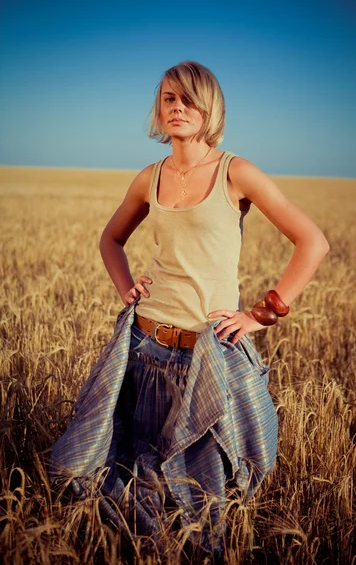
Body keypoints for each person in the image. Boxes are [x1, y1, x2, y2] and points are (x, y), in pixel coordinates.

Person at [50, 61, 330, 558]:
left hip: (208, 353)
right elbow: (111, 239)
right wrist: (126, 289)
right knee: (113, 476)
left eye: (188, 100)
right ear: (159, 111)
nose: (177, 108)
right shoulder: (149, 176)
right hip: (144, 347)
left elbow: (312, 241)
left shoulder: (235, 171)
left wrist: (262, 313)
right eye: (168, 99)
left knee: (204, 501)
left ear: (209, 109)